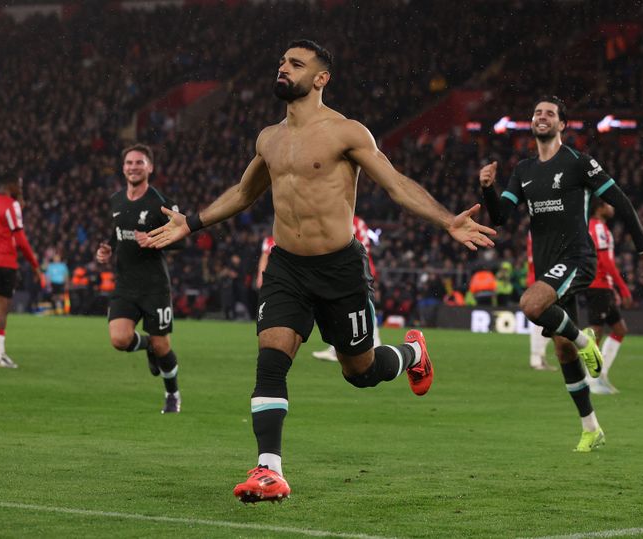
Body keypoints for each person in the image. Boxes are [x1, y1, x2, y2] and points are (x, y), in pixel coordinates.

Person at [147, 39, 496, 502]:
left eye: (295, 63)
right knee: (271, 359)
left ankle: (413, 354)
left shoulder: (346, 132)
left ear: (320, 78)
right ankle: (268, 470)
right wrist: (190, 223)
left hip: (341, 269)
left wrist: (447, 219)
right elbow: (243, 192)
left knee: (361, 372)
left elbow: (395, 184)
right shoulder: (269, 138)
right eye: (281, 62)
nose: (283, 68)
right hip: (288, 267)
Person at [479, 96, 643, 452]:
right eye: (537, 112)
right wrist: (488, 188)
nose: (542, 117)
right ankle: (591, 428)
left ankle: (586, 341)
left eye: (550, 113)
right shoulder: (523, 170)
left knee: (531, 304)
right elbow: (501, 216)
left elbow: (621, 202)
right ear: (531, 123)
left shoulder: (579, 163)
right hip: (549, 265)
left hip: (577, 257)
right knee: (562, 351)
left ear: (563, 124)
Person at [95, 143, 184, 414]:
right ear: (123, 168)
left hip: (155, 287)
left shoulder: (162, 203)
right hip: (125, 284)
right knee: (119, 340)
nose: (134, 167)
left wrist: (156, 240)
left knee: (163, 345)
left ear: (150, 167)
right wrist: (106, 248)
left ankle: (172, 394)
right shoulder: (115, 200)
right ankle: (146, 346)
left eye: (139, 162)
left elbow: (181, 239)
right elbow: (114, 233)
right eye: (129, 163)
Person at [0, 176, 43, 368]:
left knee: (0, 304)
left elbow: (0, 220)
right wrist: (35, 264)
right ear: (11, 186)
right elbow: (20, 238)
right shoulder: (11, 204)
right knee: (2, 307)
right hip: (4, 259)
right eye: (19, 185)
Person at [312, 215, 382, 361]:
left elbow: (362, 247)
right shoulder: (339, 220)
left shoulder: (354, 222)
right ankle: (337, 348)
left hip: (357, 268)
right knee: (339, 307)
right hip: (341, 269)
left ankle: (374, 343)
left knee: (363, 306)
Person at [585, 199, 632, 395]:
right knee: (596, 331)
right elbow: (605, 262)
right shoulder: (597, 228)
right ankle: (590, 380)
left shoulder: (600, 227)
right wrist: (623, 288)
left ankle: (601, 374)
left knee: (619, 329)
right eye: (608, 204)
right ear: (600, 207)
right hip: (597, 284)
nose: (612, 207)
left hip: (604, 286)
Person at [526, 233, 555, 371]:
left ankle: (539, 356)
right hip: (541, 277)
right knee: (541, 320)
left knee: (548, 321)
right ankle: (536, 358)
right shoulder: (538, 228)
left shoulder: (538, 225)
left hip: (544, 276)